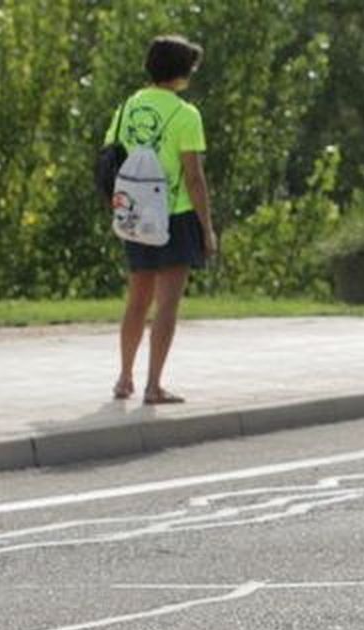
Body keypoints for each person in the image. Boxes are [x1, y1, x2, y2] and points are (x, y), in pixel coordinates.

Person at [105, 34, 215, 405]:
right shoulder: (186, 115)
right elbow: (194, 178)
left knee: (137, 300)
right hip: (176, 216)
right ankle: (153, 386)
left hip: (135, 214)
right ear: (182, 73)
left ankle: (124, 378)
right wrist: (207, 228)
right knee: (166, 305)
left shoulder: (127, 107)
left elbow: (112, 156)